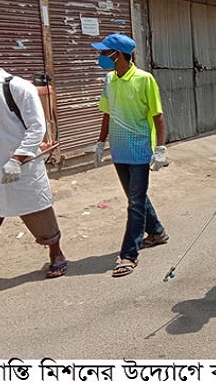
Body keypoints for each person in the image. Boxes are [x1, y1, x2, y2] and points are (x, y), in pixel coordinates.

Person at [0, 36, 68, 297]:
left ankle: (56, 253)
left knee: (40, 218)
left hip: (22, 170)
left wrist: (17, 160)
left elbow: (37, 127)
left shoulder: (17, 88)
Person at [91, 33, 169, 278]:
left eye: (105, 52)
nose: (101, 56)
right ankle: (157, 232)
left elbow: (157, 116)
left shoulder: (144, 79)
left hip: (140, 149)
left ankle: (129, 254)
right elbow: (107, 113)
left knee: (135, 202)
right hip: (119, 149)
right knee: (136, 197)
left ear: (118, 55)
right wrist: (100, 142)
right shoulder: (109, 80)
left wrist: (160, 149)